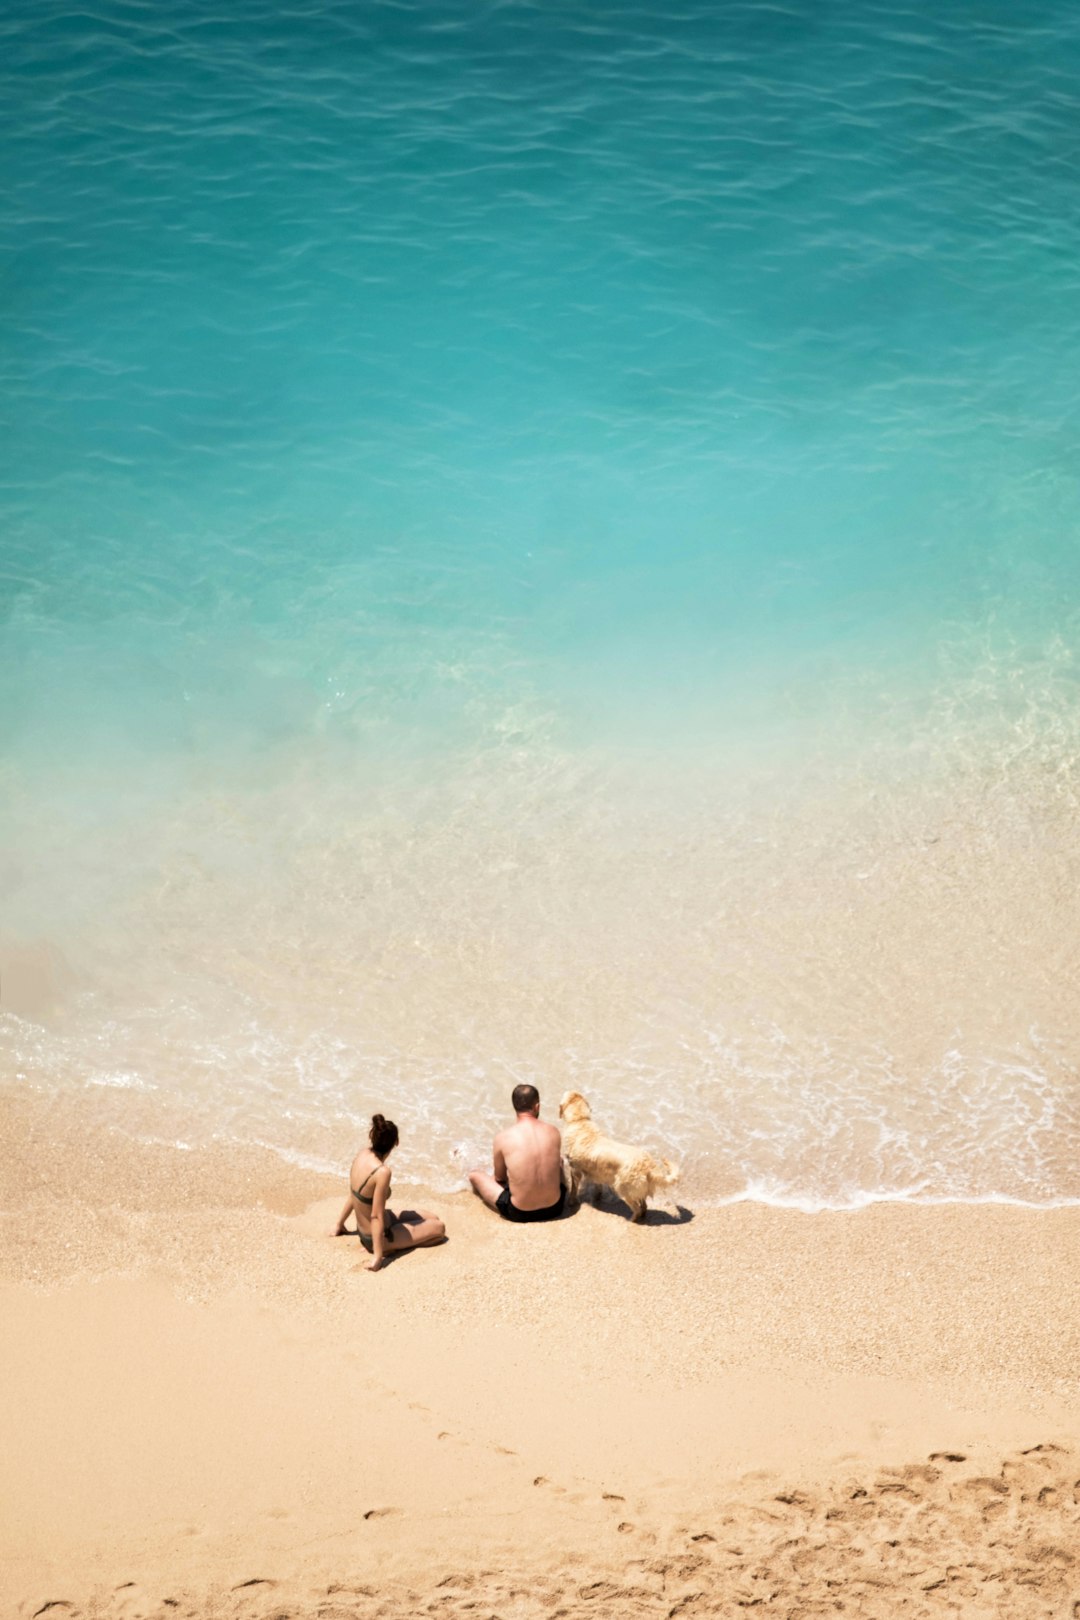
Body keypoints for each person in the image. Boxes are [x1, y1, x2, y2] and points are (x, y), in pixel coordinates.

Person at [332, 1114, 446, 1271]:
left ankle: (394, 1243)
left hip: (368, 1228)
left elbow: (353, 1193)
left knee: (432, 1217)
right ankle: (389, 1248)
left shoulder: (362, 1154)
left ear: (372, 1137)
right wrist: (377, 1258)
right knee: (439, 1229)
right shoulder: (382, 1172)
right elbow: (376, 1216)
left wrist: (339, 1224)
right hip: (377, 1237)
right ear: (396, 1143)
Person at [468, 1083, 566, 1222]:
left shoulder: (503, 1137)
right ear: (537, 1106)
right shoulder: (553, 1131)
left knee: (475, 1175)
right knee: (559, 1161)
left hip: (520, 1212)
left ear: (514, 1107)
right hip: (556, 1207)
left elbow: (499, 1178)